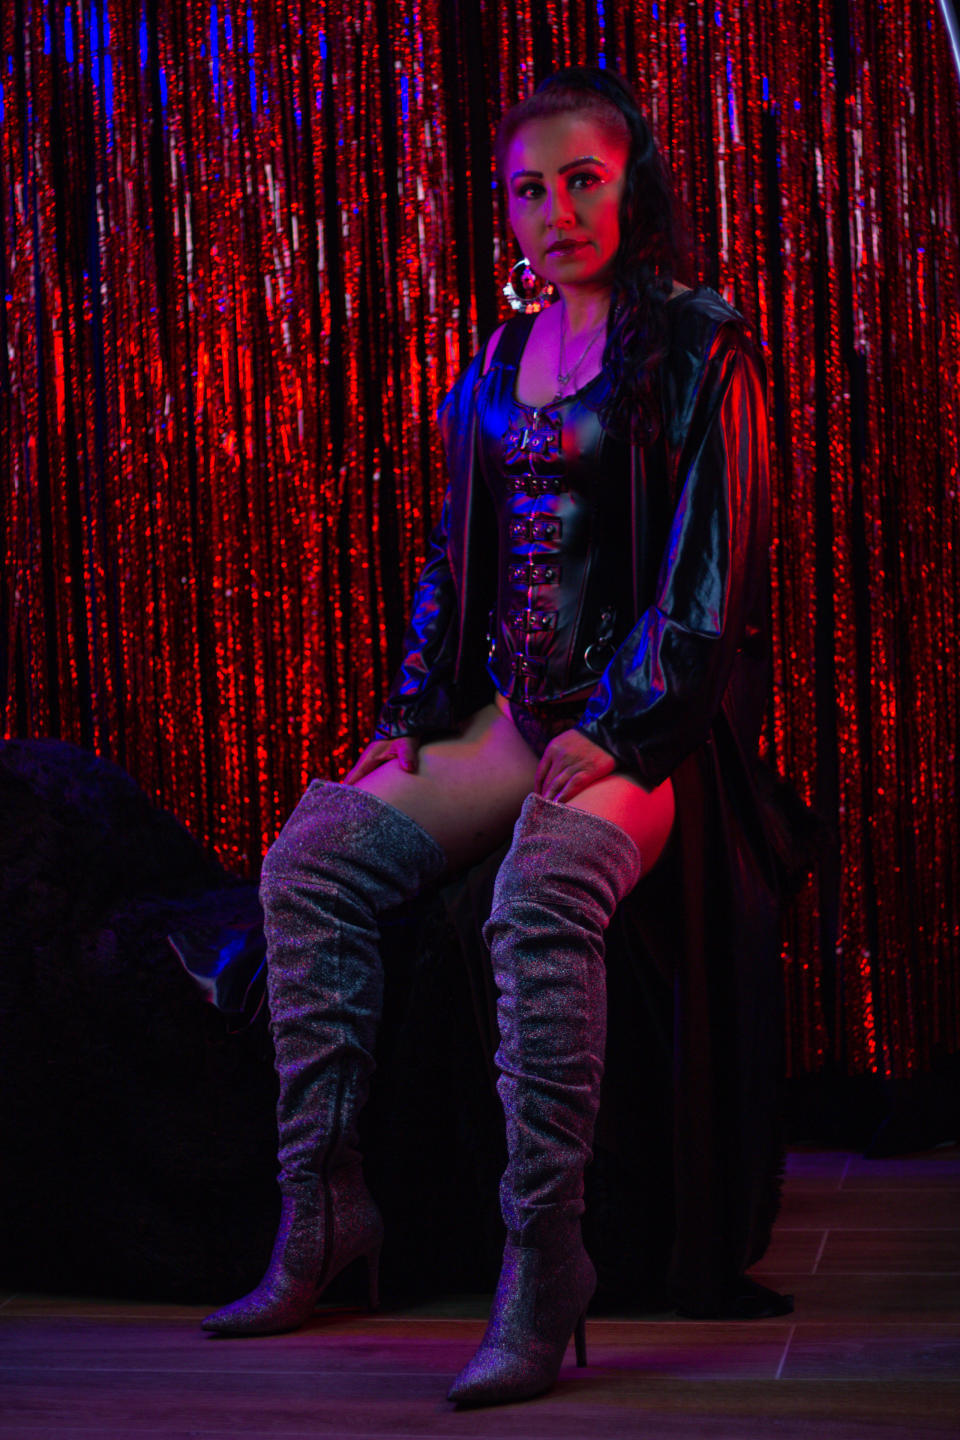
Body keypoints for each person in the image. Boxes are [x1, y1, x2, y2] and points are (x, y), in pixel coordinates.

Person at [201, 65, 776, 1408]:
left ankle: (543, 1260)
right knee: (313, 859)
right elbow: (452, 567)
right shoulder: (501, 362)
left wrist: (623, 728)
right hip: (518, 715)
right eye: (529, 189)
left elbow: (708, 586)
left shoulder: (705, 348)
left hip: (657, 733)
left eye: (582, 180)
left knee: (538, 890)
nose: (555, 212)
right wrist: (409, 716)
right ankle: (325, 1208)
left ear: (633, 189)